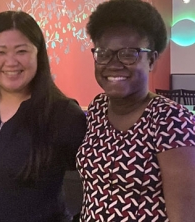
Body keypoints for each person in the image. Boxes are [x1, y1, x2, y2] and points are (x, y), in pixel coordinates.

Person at [0, 10, 87, 222]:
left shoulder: (63, 114)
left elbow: (98, 187)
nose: (11, 62)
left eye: (21, 51)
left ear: (38, 54)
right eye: (0, 52)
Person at [76, 0, 195, 221]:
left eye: (129, 54)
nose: (113, 63)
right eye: (103, 53)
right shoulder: (98, 108)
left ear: (151, 60)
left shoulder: (172, 120)